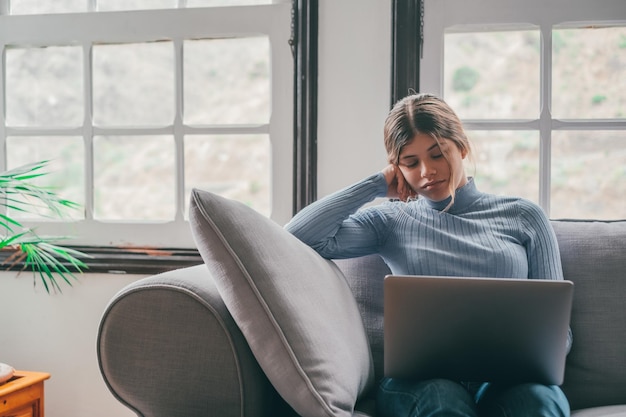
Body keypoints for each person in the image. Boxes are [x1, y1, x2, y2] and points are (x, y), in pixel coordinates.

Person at [284, 93, 572, 417]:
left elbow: (559, 333)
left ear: (461, 146)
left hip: (503, 380)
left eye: (437, 154)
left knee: (539, 402)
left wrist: (537, 356)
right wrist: (374, 185)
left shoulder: (523, 216)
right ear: (397, 167)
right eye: (411, 162)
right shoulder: (390, 221)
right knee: (443, 400)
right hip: (419, 383)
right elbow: (294, 238)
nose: (427, 171)